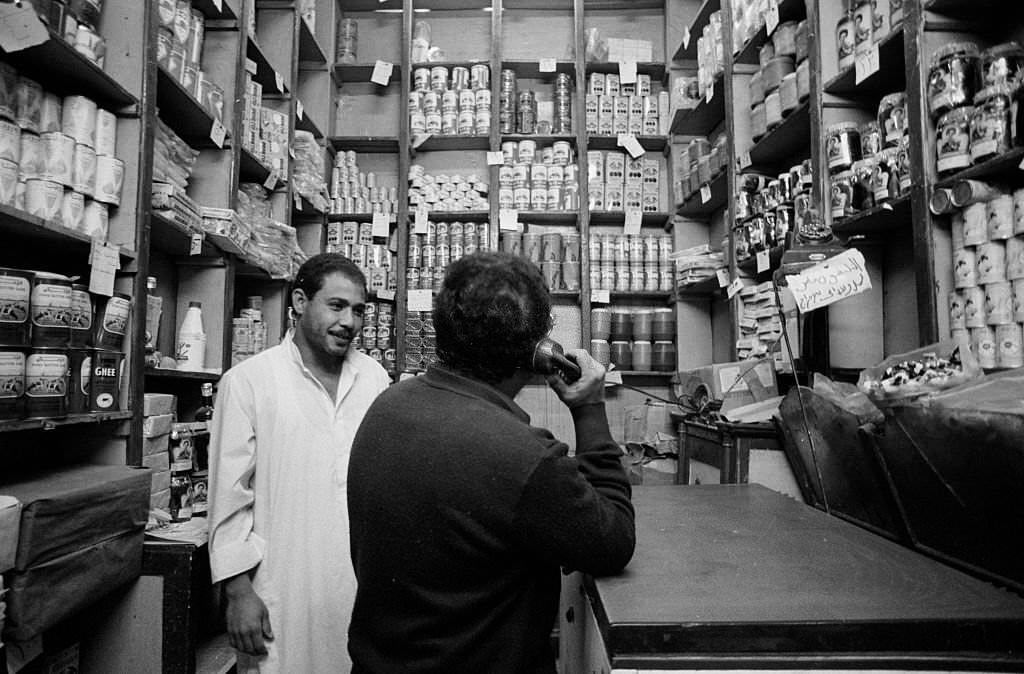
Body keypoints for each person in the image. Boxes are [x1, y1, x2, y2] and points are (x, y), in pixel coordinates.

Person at [347, 251, 636, 672]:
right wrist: (590, 409)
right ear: (539, 350)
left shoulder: (384, 409)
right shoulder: (524, 457)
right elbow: (613, 541)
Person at [208, 253, 391, 673]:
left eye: (359, 310)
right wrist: (238, 593)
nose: (350, 321)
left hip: (356, 587)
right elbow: (228, 496)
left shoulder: (374, 378)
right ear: (300, 301)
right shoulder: (250, 382)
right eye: (337, 305)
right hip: (280, 588)